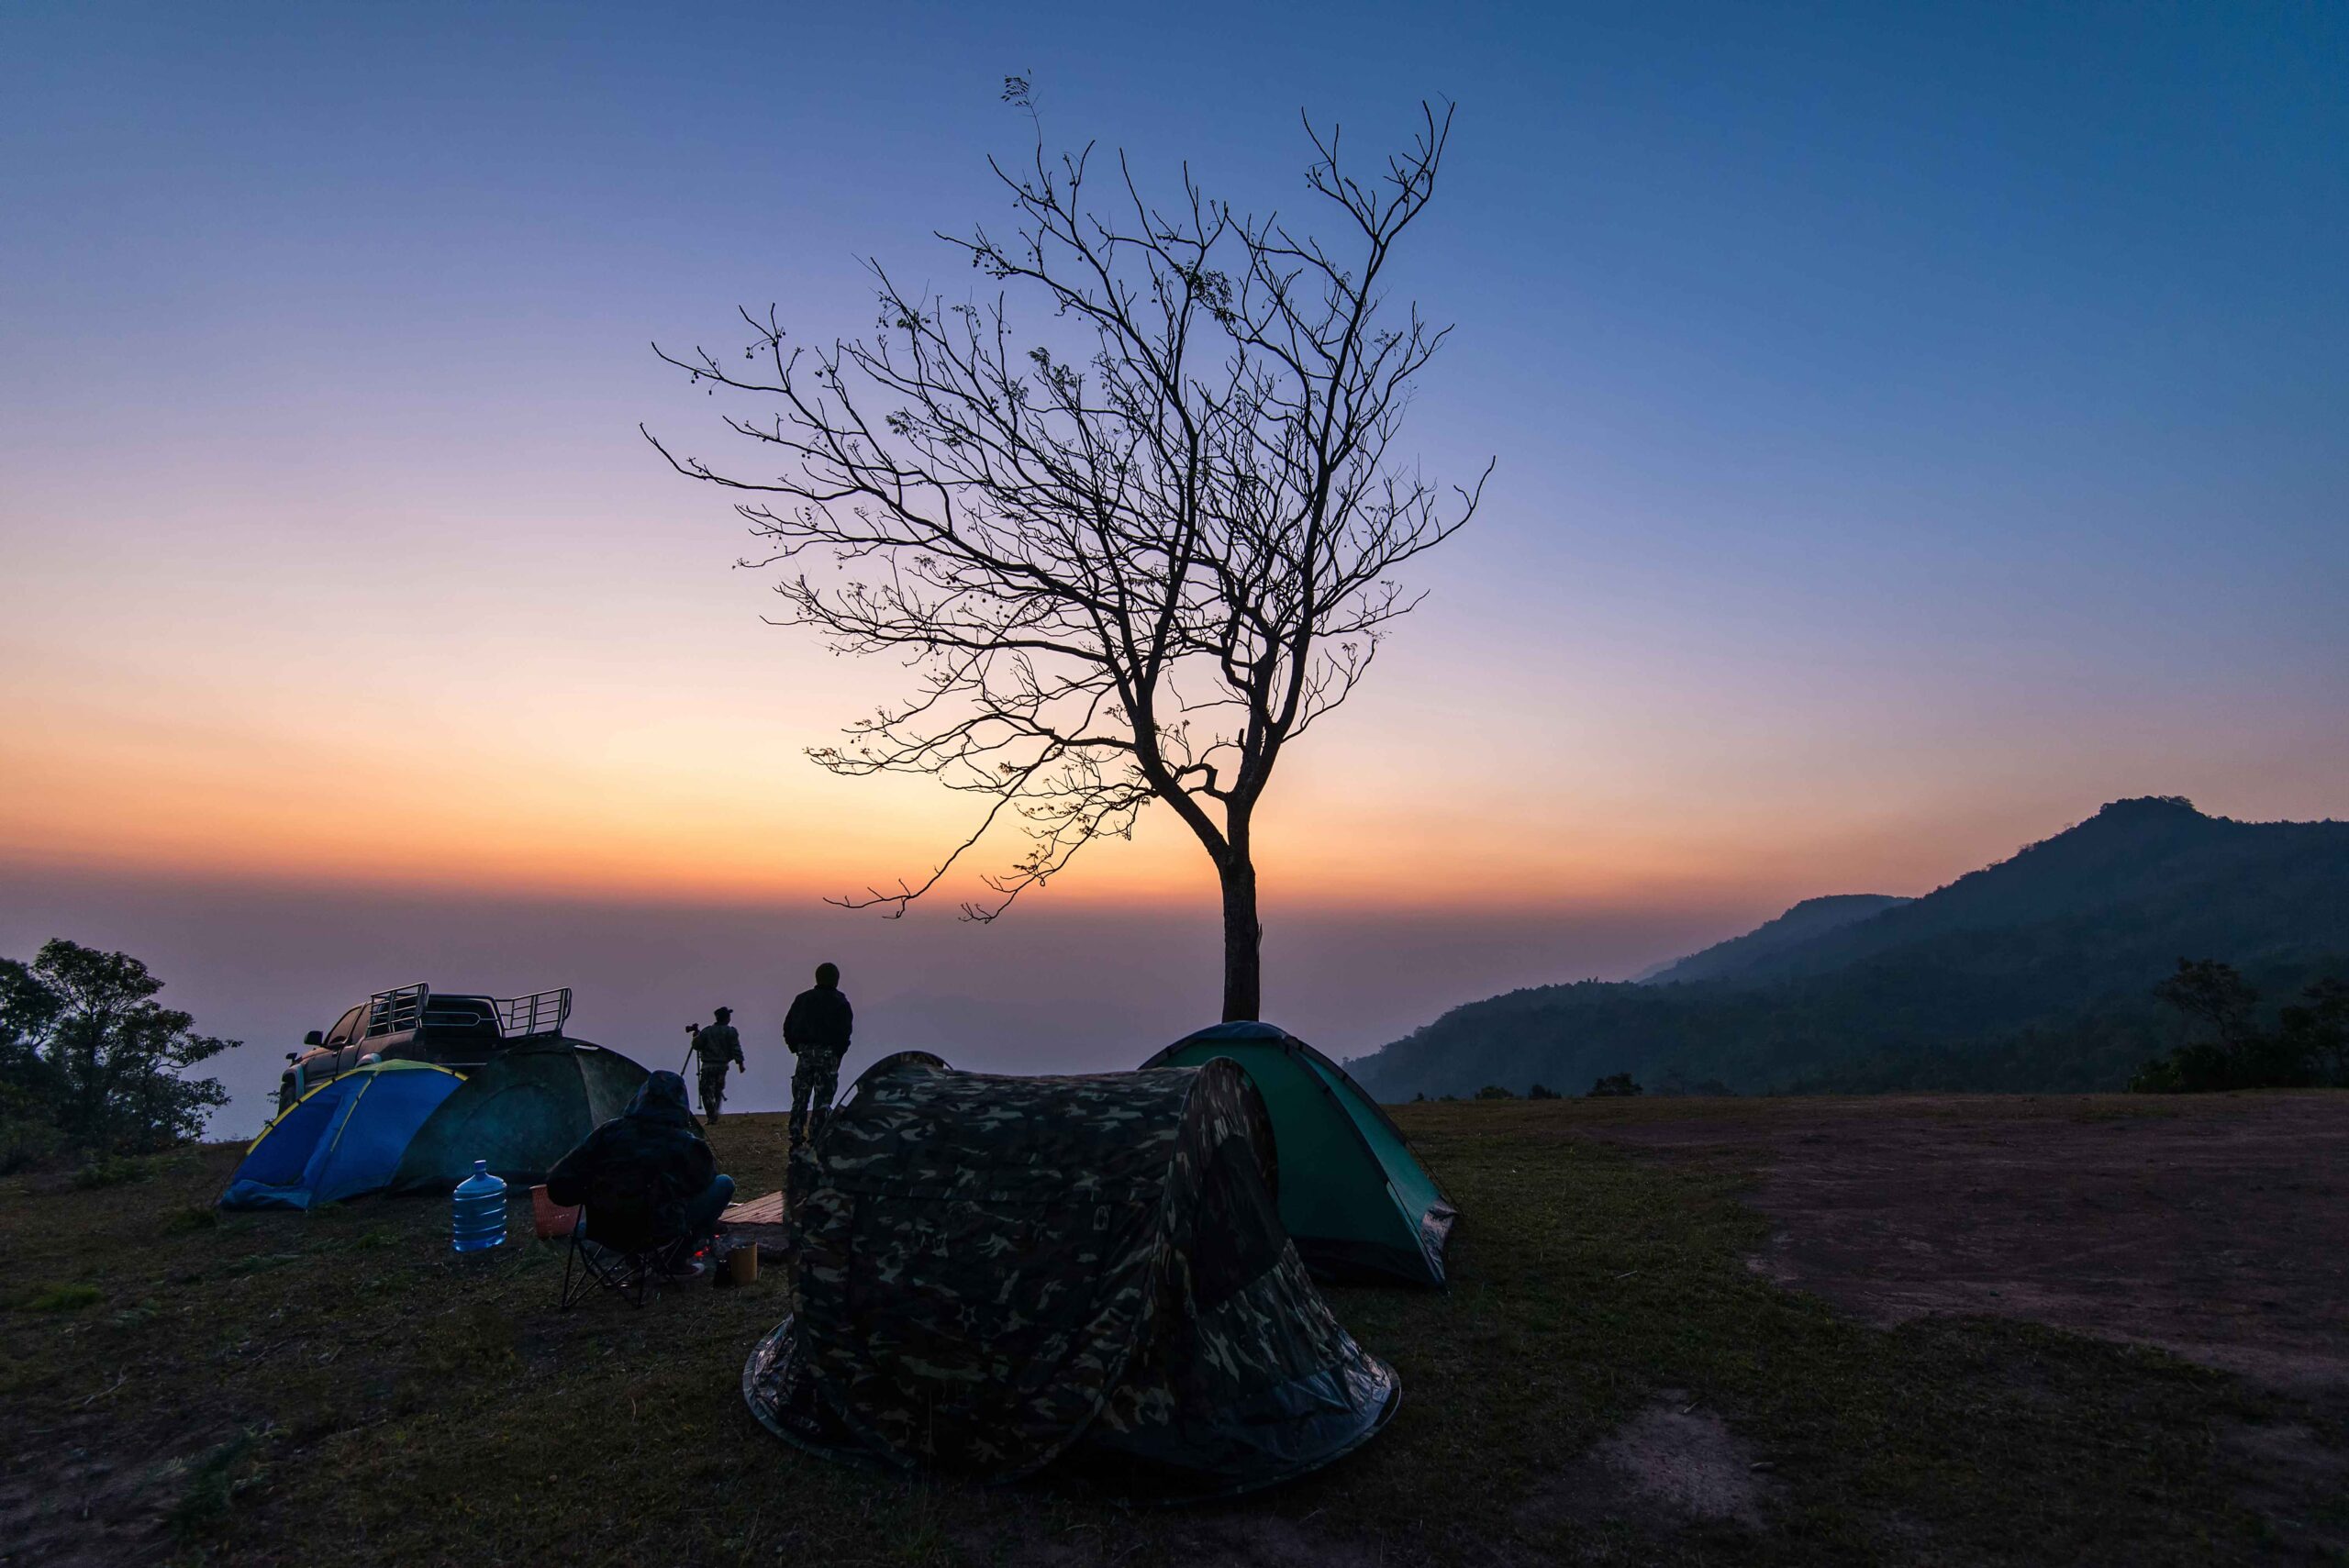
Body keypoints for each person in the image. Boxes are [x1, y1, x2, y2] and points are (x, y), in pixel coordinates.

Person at [545, 1072, 734, 1264]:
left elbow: (557, 1184)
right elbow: (704, 1183)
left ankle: (635, 1260)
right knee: (724, 1184)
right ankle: (676, 1260)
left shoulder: (607, 1133)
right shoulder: (685, 1144)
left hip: (604, 1231)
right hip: (657, 1231)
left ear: (640, 1097)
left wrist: (590, 1193)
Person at [784, 962, 852, 1147]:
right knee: (823, 1099)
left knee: (800, 1096)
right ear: (836, 980)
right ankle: (817, 1135)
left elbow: (788, 1026)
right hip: (828, 1055)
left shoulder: (802, 1000)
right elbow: (845, 1032)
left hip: (805, 1054)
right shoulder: (840, 1002)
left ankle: (796, 1133)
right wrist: (837, 1054)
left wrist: (796, 1048)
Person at [688, 1005, 743, 1119]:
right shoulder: (730, 1031)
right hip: (722, 1066)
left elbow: (697, 1045)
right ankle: (715, 1112)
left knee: (706, 1091)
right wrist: (740, 1063)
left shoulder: (707, 1031)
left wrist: (696, 1037)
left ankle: (711, 1114)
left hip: (708, 1066)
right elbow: (736, 1048)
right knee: (718, 1090)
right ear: (727, 1018)